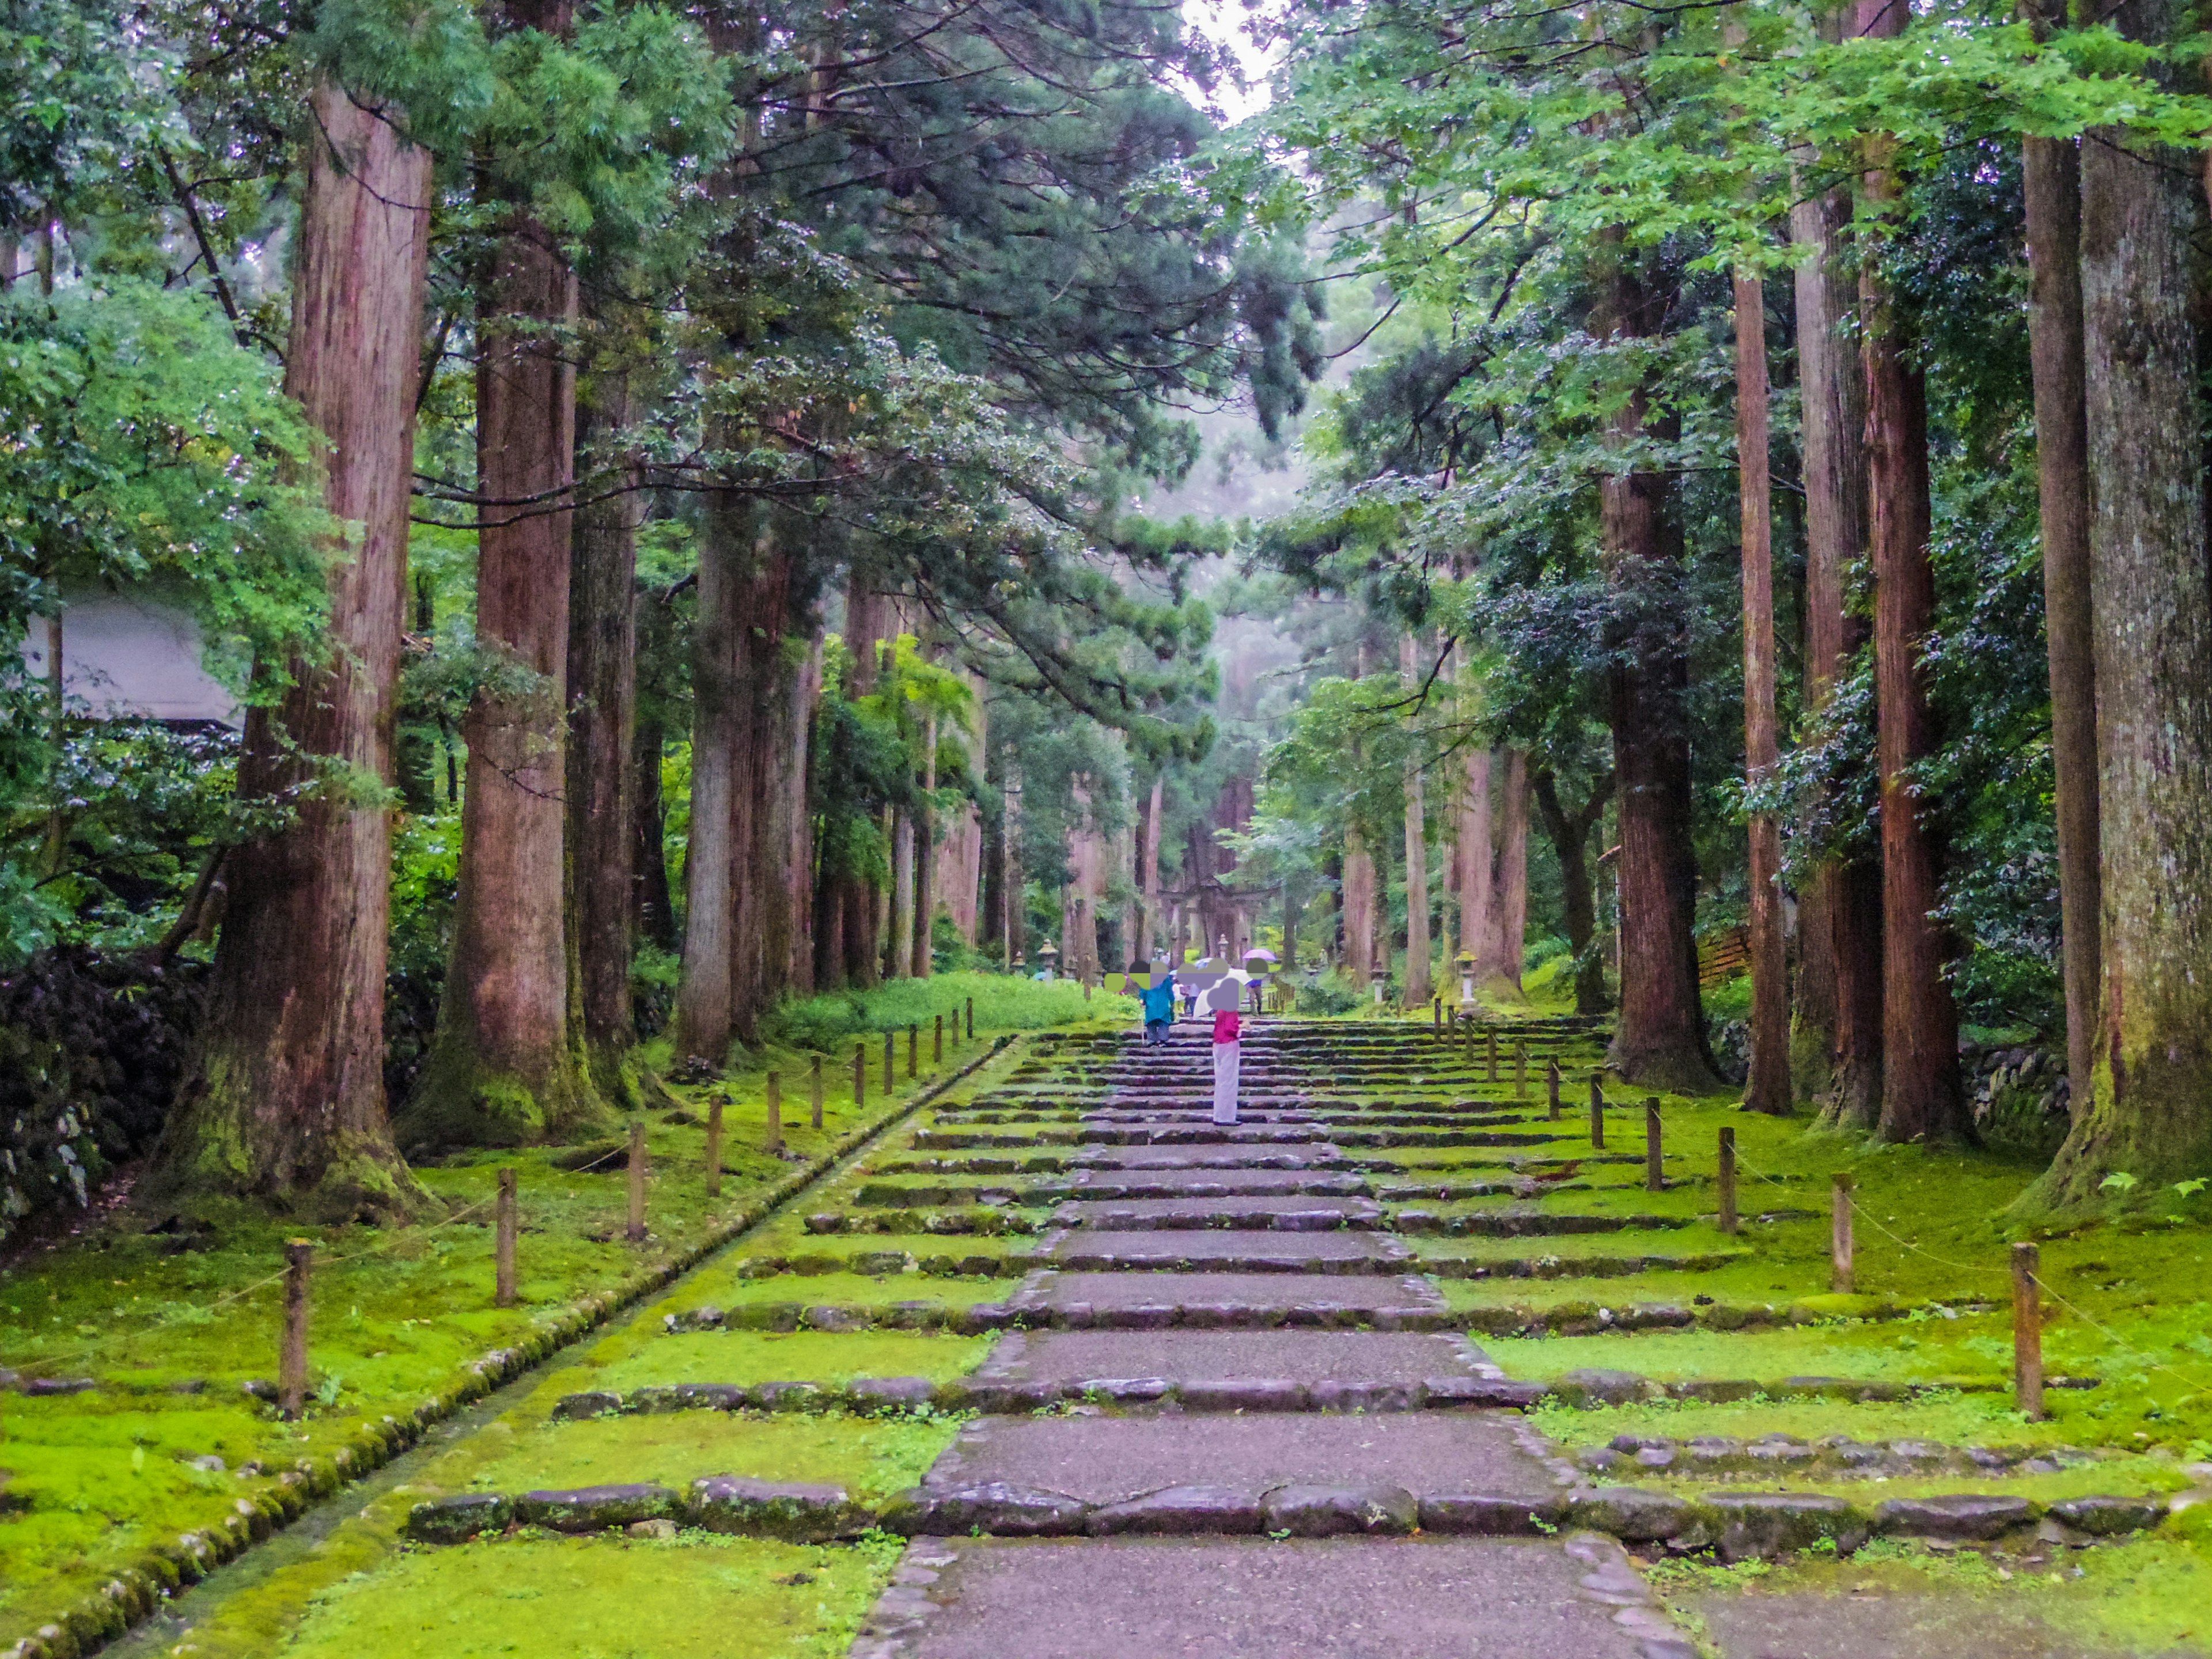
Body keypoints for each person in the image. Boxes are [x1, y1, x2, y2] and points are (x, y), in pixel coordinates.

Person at [1203, 977, 1242, 1124]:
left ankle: (1219, 1114)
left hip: (1218, 1044)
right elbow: (1231, 1029)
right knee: (1229, 1081)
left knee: (1221, 1081)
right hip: (1228, 1045)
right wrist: (1242, 1027)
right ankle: (1226, 1117)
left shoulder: (1220, 1008)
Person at [1136, 964, 1176, 1047]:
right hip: (1152, 1004)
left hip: (1163, 1004)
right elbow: (1143, 991)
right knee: (1151, 1022)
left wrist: (1172, 1001)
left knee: (1164, 1022)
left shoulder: (1166, 981)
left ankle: (1163, 1040)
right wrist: (1142, 999)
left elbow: (1170, 992)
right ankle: (1152, 1040)